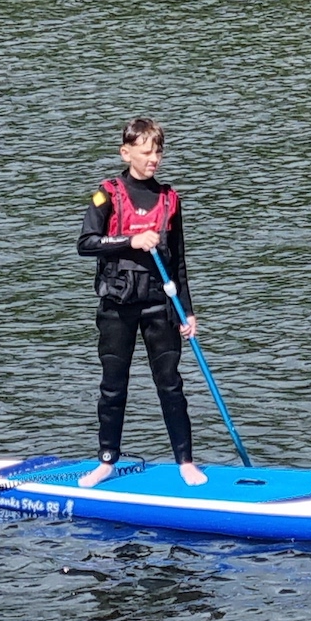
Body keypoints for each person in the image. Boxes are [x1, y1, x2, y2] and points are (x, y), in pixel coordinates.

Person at [77, 117, 205, 487]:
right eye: (146, 152)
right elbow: (86, 243)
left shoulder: (169, 199)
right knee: (113, 386)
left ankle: (186, 462)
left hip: (159, 305)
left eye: (158, 152)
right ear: (126, 152)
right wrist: (130, 241)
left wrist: (187, 311)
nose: (154, 159)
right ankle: (106, 461)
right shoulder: (106, 194)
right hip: (117, 307)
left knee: (171, 385)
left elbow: (178, 262)